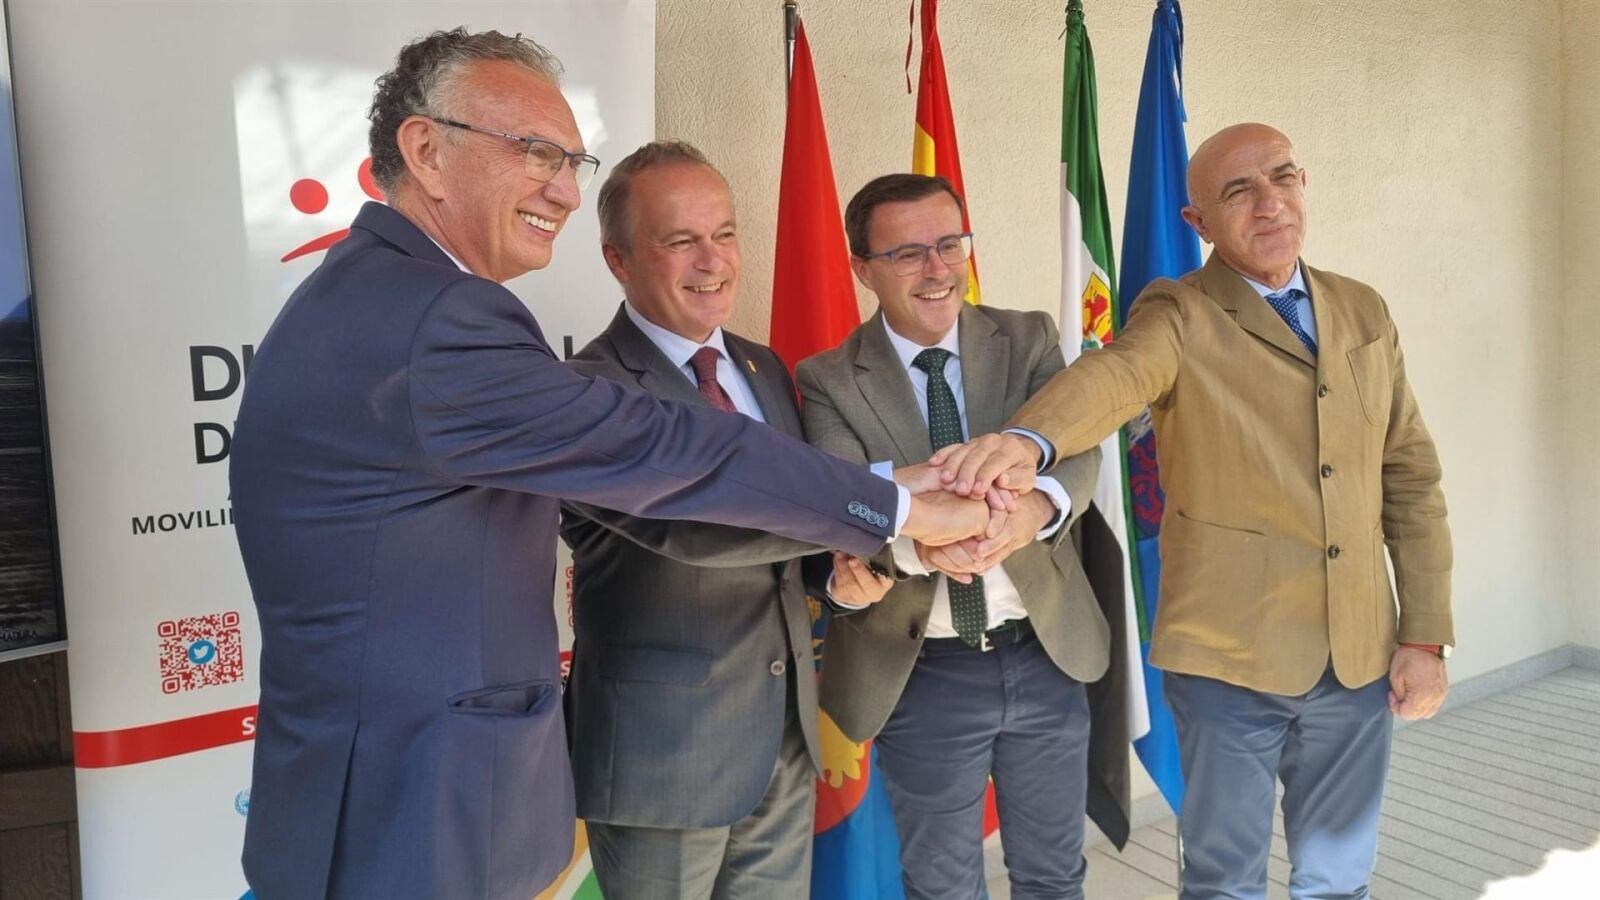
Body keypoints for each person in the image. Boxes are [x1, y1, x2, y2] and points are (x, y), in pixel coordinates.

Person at [229, 30, 988, 900]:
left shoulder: (379, 292)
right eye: (535, 151)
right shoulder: (437, 318)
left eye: (571, 161)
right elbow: (669, 453)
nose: (562, 187)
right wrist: (896, 504)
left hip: (400, 793)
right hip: (414, 807)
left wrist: (872, 522)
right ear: (427, 151)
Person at [933, 123, 1454, 899]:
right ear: (1198, 221)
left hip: (1357, 652)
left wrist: (1423, 634)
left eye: (1282, 176)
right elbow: (1117, 373)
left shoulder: (1362, 309)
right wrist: (1028, 441)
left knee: (1340, 879)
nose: (1269, 202)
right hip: (1228, 662)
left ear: (1304, 183)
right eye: (1239, 191)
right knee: (1223, 880)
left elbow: (1409, 477)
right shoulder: (1180, 311)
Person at [559, 141, 892, 899]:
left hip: (783, 737)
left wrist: (839, 578)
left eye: (725, 233)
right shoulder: (590, 393)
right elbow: (700, 528)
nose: (713, 261)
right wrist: (887, 507)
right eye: (681, 241)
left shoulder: (761, 367)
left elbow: (790, 540)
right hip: (662, 758)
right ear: (617, 259)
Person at [796, 173, 1114, 900]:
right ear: (862, 268)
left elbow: (1078, 450)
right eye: (908, 253)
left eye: (949, 244)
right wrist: (919, 546)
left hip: (1044, 650)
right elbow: (842, 503)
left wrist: (1034, 513)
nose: (938, 269)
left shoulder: (1028, 338)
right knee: (942, 886)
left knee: (1055, 875)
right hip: (922, 671)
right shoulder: (829, 379)